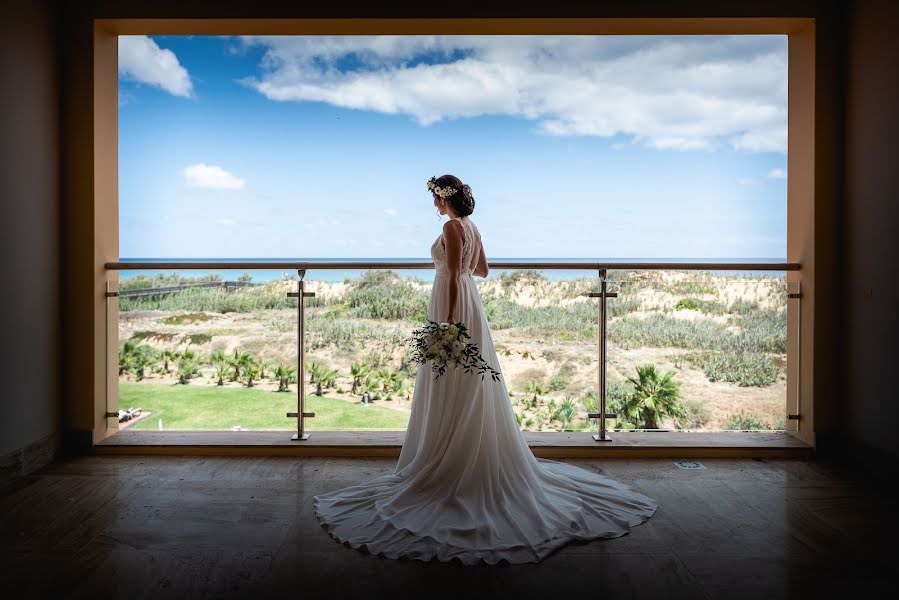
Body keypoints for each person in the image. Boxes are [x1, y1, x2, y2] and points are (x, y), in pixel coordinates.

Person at [312, 174, 657, 565]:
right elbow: (482, 271)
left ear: (444, 198)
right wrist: (456, 279)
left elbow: (460, 275)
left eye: (434, 197)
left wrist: (448, 321)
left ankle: (447, 461)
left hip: (453, 307)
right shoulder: (472, 227)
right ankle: (456, 450)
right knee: (469, 383)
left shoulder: (451, 226)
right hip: (467, 305)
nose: (433, 204)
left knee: (452, 380)